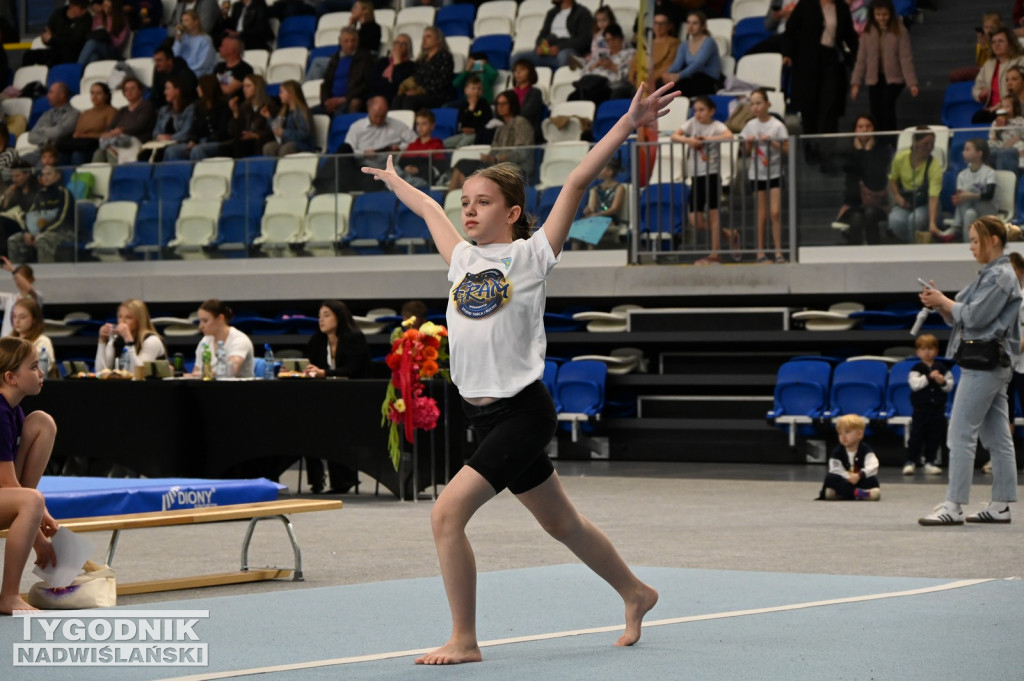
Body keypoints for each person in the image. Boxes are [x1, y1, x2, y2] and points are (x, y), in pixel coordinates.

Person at [359, 81, 672, 666]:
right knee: (561, 522)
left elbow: (577, 180)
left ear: (513, 212)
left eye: (481, 203)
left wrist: (629, 124)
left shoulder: (530, 256)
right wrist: (396, 181)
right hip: (480, 414)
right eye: (466, 203)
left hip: (523, 411)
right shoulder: (460, 258)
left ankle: (465, 640)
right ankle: (636, 591)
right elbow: (429, 206)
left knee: (446, 514)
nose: (469, 211)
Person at [918, 216, 1022, 526]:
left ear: (993, 240)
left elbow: (973, 317)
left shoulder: (1001, 276)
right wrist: (941, 303)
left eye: (975, 240)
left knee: (961, 432)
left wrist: (945, 302)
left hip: (986, 363)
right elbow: (958, 313)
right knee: (997, 436)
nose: (971, 247)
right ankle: (1001, 504)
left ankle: (954, 505)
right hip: (990, 363)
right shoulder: (989, 274)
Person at [0, 336, 59, 615]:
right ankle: (8, 596)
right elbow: (6, 483)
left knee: (42, 422)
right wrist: (39, 537)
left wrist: (38, 510)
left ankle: (30, 506)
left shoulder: (13, 410)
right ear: (11, 377)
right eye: (34, 367)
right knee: (32, 502)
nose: (41, 373)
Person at [302, 300, 369, 494]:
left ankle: (343, 480)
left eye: (326, 315)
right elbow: (312, 365)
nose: (321, 320)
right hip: (324, 400)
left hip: (354, 399)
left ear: (338, 317)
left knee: (334, 424)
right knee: (306, 423)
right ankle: (316, 479)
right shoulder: (317, 340)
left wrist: (324, 373)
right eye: (319, 316)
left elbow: (352, 370)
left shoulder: (354, 338)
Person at [671, 95, 737, 264]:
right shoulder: (691, 123)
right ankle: (728, 233)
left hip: (712, 175)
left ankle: (715, 254)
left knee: (714, 215)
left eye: (702, 110)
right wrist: (689, 140)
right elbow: (674, 136)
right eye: (696, 110)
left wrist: (707, 140)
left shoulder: (716, 126)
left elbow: (729, 136)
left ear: (711, 111)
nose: (698, 114)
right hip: (696, 176)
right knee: (695, 219)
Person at [782, 0, 858, 141]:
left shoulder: (841, 7)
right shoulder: (806, 5)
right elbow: (790, 30)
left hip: (831, 60)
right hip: (807, 62)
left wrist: (859, 57)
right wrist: (787, 53)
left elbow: (849, 35)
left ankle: (827, 147)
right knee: (809, 106)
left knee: (830, 103)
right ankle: (810, 147)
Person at [849, 0, 919, 135]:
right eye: (878, 14)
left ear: (891, 14)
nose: (882, 18)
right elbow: (861, 59)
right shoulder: (868, 31)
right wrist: (856, 82)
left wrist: (912, 83)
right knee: (875, 110)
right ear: (873, 14)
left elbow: (906, 58)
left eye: (885, 14)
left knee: (886, 105)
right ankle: (877, 141)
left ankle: (890, 139)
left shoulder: (900, 31)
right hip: (874, 77)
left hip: (895, 77)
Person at [447, 90, 536, 191]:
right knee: (462, 164)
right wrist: (489, 158)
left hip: (516, 169)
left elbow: (522, 153)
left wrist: (496, 159)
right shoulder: (500, 128)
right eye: (498, 104)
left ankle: (462, 200)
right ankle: (455, 199)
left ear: (512, 104)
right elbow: (494, 151)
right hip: (498, 166)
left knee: (472, 172)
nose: (500, 106)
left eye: (504, 103)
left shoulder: (521, 123)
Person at [740, 88, 788, 264]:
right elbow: (745, 152)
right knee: (761, 214)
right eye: (752, 104)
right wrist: (748, 144)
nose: (755, 107)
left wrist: (772, 143)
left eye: (759, 103)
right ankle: (760, 253)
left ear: (768, 104)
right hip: (757, 174)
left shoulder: (777, 125)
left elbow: (787, 149)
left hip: (774, 172)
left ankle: (778, 252)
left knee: (775, 212)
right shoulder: (750, 125)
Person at [902, 333, 953, 476]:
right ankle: (910, 461)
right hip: (920, 410)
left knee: (934, 437)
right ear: (918, 352)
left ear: (936, 351)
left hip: (937, 410)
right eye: (923, 349)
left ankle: (930, 461)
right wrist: (929, 378)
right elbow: (915, 384)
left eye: (930, 349)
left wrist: (941, 381)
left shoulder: (942, 367)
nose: (927, 352)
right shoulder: (916, 368)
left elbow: (949, 385)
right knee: (916, 436)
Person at [835, 114, 891, 245]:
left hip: (877, 202)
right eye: (860, 127)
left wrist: (868, 152)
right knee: (856, 218)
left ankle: (874, 252)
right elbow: (854, 176)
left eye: (868, 126)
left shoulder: (882, 151)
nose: (864, 130)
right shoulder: (848, 151)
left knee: (870, 214)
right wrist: (861, 152)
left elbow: (874, 178)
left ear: (874, 129)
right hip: (854, 202)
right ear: (855, 130)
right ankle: (854, 255)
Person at [887, 126, 942, 244]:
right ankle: (914, 244)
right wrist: (897, 197)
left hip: (926, 204)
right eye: (926, 144)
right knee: (894, 220)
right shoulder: (900, 158)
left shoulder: (934, 165)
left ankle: (913, 249)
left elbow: (933, 197)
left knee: (915, 219)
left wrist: (932, 222)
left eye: (932, 144)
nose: (930, 148)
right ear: (915, 143)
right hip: (906, 202)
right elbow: (893, 180)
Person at [8, 166, 72, 264]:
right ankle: (19, 273)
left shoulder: (64, 193)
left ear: (58, 176)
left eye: (49, 174)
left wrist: (41, 232)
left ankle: (45, 275)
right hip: (39, 232)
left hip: (64, 231)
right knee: (13, 240)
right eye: (43, 174)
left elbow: (62, 219)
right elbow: (29, 216)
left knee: (42, 239)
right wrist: (26, 232)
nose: (45, 177)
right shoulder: (40, 194)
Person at [165, 74, 231, 161]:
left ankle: (198, 173)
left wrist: (204, 141)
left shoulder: (223, 107)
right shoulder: (199, 107)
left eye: (199, 86)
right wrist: (193, 140)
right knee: (171, 151)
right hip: (200, 142)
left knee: (197, 150)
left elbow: (222, 132)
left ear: (207, 87)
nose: (197, 89)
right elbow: (194, 129)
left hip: (220, 143)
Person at [511, 0, 593, 70]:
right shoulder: (551, 13)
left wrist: (559, 48)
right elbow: (542, 35)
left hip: (567, 51)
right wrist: (542, 46)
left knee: (564, 56)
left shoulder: (582, 13)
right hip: (547, 53)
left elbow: (585, 39)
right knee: (516, 58)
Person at [816, 414, 881, 500]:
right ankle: (858, 493)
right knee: (830, 478)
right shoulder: (838, 451)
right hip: (844, 480)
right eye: (840, 433)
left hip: (859, 479)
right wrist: (848, 477)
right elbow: (835, 469)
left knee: (872, 480)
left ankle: (840, 494)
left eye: (847, 432)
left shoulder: (865, 450)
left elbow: (873, 465)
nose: (843, 437)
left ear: (859, 434)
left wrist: (859, 475)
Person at [392, 27, 455, 111]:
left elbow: (441, 81)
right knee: (397, 99)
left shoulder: (444, 57)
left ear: (438, 40)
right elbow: (416, 77)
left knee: (410, 101)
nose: (424, 40)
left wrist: (421, 91)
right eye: (423, 37)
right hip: (419, 92)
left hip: (438, 94)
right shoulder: (422, 59)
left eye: (428, 37)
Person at [568, 23, 635, 102]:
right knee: (572, 97)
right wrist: (594, 66)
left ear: (621, 38)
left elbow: (630, 77)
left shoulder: (630, 54)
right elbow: (583, 73)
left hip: (610, 87)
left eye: (614, 39)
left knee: (590, 95)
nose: (612, 43)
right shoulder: (600, 55)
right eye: (608, 40)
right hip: (591, 84)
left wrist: (612, 66)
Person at [96, 299, 167, 373]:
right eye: (120, 317)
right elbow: (100, 372)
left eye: (128, 317)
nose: (122, 321)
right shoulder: (116, 340)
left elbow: (138, 373)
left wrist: (128, 340)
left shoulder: (152, 340)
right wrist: (102, 341)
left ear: (139, 320)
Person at [55, 82, 117, 167]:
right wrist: (80, 135)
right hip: (81, 144)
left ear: (106, 96)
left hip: (96, 145)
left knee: (77, 155)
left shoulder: (111, 111)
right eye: (92, 93)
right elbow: (78, 131)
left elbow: (108, 134)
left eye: (98, 93)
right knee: (61, 155)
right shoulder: (85, 113)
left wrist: (85, 135)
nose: (94, 96)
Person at [972, 27, 1024, 125]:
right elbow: (976, 87)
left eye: (1001, 41)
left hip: (1012, 108)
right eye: (993, 42)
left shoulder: (1021, 61)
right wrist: (980, 94)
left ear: (1010, 43)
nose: (996, 45)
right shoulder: (988, 64)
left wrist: (1000, 105)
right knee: (977, 118)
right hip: (992, 109)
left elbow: (1020, 89)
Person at [191, 299, 254, 378]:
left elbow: (231, 370)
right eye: (200, 321)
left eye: (205, 321)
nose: (200, 326)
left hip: (237, 388)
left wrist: (207, 373)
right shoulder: (205, 341)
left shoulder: (239, 340)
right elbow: (195, 374)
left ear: (220, 318)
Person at [663, 11, 721, 97]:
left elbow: (698, 64)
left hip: (708, 79)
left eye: (695, 23)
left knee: (682, 87)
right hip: (692, 76)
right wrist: (667, 73)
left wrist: (679, 76)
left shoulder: (709, 42)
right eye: (688, 22)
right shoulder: (684, 44)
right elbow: (677, 64)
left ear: (703, 26)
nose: (690, 26)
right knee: (664, 87)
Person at [950, 139, 998, 242]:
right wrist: (960, 198)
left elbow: (989, 195)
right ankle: (968, 248)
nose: (963, 152)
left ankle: (956, 226)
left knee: (968, 188)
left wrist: (969, 195)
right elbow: (960, 198)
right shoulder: (962, 175)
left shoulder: (989, 172)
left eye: (967, 149)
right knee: (969, 214)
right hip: (968, 209)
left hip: (987, 208)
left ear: (979, 153)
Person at [319, 27, 374, 116]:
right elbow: (326, 83)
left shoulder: (365, 58)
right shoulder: (335, 58)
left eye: (353, 41)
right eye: (346, 41)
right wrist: (326, 101)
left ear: (358, 41)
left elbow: (365, 85)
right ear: (340, 42)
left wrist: (344, 99)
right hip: (331, 100)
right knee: (308, 113)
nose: (350, 44)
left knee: (338, 115)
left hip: (349, 100)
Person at [24, 84, 79, 167]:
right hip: (40, 151)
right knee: (16, 164)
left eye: (51, 92)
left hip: (57, 152)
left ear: (61, 96)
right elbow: (31, 136)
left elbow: (58, 133)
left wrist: (42, 130)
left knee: (41, 165)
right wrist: (48, 140)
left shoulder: (74, 114)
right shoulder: (47, 114)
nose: (47, 96)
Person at [144, 76, 197, 162]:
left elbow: (187, 133)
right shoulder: (164, 110)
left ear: (177, 90)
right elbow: (156, 132)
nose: (165, 92)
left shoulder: (190, 109)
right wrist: (159, 136)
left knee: (170, 151)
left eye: (168, 89)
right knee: (145, 152)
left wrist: (170, 138)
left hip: (183, 143)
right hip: (163, 143)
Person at [22, 0, 90, 67]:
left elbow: (75, 40)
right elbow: (47, 35)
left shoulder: (86, 18)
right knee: (29, 55)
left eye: (86, 8)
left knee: (64, 54)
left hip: (73, 53)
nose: (84, 11)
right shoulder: (58, 15)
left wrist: (53, 39)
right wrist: (46, 39)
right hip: (55, 50)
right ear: (72, 6)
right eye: (81, 8)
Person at [627, 14, 680, 95]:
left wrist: (649, 78)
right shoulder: (647, 42)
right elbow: (635, 61)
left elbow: (668, 64)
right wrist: (633, 75)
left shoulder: (674, 42)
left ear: (669, 26)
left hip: (656, 80)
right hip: (641, 79)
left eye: (662, 24)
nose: (658, 26)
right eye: (655, 23)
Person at [225, 74, 276, 158]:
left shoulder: (270, 107)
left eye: (248, 86)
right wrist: (235, 113)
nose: (244, 89)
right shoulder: (243, 107)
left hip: (260, 142)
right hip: (244, 142)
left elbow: (273, 130)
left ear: (258, 88)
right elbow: (232, 132)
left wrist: (255, 135)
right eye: (244, 86)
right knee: (226, 148)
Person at [263, 80, 315, 156]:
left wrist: (284, 133)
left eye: (282, 92)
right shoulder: (284, 111)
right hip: (286, 143)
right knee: (269, 147)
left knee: (286, 149)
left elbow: (304, 134)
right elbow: (276, 127)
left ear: (291, 93)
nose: (279, 95)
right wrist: (269, 118)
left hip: (303, 145)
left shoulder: (302, 112)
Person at [366, 33, 416, 105]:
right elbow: (370, 80)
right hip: (374, 95)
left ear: (408, 48)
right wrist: (388, 83)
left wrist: (397, 63)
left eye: (403, 44)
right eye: (397, 43)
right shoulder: (383, 62)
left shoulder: (411, 66)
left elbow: (397, 86)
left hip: (392, 99)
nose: (399, 46)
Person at [400, 109, 445, 188]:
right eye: (418, 124)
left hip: (423, 179)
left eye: (424, 124)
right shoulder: (412, 145)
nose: (420, 127)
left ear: (432, 126)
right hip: (406, 176)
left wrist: (418, 170)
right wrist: (406, 167)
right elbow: (402, 162)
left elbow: (438, 168)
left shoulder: (437, 145)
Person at [444, 75, 492, 149]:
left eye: (479, 89)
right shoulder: (462, 105)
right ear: (466, 91)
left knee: (460, 147)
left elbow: (488, 124)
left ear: (482, 91)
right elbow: (462, 122)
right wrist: (471, 107)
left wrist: (474, 130)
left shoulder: (484, 105)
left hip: (476, 134)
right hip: (462, 134)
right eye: (473, 88)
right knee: (443, 144)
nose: (476, 91)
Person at [78, 0, 130, 66]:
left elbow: (119, 43)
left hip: (112, 51)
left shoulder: (121, 20)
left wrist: (107, 35)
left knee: (91, 43)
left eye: (110, 8)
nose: (107, 9)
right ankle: (87, 74)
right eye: (105, 6)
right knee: (94, 56)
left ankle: (75, 70)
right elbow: (94, 33)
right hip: (99, 47)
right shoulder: (98, 17)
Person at [0, 258, 41, 339]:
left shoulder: (37, 296)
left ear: (31, 279)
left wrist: (13, 271)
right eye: (16, 279)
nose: (18, 281)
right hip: (5, 343)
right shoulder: (10, 298)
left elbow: (29, 290)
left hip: (25, 342)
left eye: (21, 277)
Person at [8, 299, 55, 371]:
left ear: (34, 319)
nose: (17, 321)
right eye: (14, 316)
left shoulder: (43, 341)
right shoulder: (8, 340)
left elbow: (43, 370)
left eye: (22, 317)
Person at [0, 164, 37, 254]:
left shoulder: (36, 190)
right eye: (12, 176)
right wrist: (8, 197)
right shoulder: (15, 191)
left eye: (17, 176)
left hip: (28, 224)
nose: (14, 179)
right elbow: (4, 210)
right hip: (12, 223)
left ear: (27, 174)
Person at [150, 46, 198, 110]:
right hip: (165, 109)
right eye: (155, 61)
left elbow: (185, 97)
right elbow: (155, 94)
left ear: (170, 61)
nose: (156, 64)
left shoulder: (185, 74)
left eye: (159, 60)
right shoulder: (158, 71)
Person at [172, 9, 218, 77]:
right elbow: (175, 56)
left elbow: (202, 64)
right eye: (182, 21)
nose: (183, 23)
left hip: (200, 74)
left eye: (186, 20)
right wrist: (178, 40)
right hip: (184, 72)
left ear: (196, 22)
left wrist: (186, 72)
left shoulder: (205, 40)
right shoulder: (183, 37)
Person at [509, 59, 545, 141]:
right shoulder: (510, 93)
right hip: (510, 128)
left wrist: (508, 118)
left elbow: (526, 113)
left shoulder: (535, 93)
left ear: (530, 73)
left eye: (522, 70)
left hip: (527, 129)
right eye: (516, 70)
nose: (518, 73)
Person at [987, 95, 1024, 173]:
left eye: (1007, 106)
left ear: (1015, 108)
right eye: (1002, 106)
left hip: (1014, 143)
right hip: (1001, 143)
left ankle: (1022, 160)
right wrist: (998, 129)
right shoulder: (996, 122)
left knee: (1020, 144)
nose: (1004, 109)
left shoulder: (1020, 120)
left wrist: (1018, 138)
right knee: (987, 145)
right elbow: (992, 137)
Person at [213, 35, 254, 102]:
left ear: (232, 49)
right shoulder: (219, 66)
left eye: (223, 46)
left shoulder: (244, 69)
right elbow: (210, 86)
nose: (219, 48)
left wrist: (217, 83)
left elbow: (228, 90)